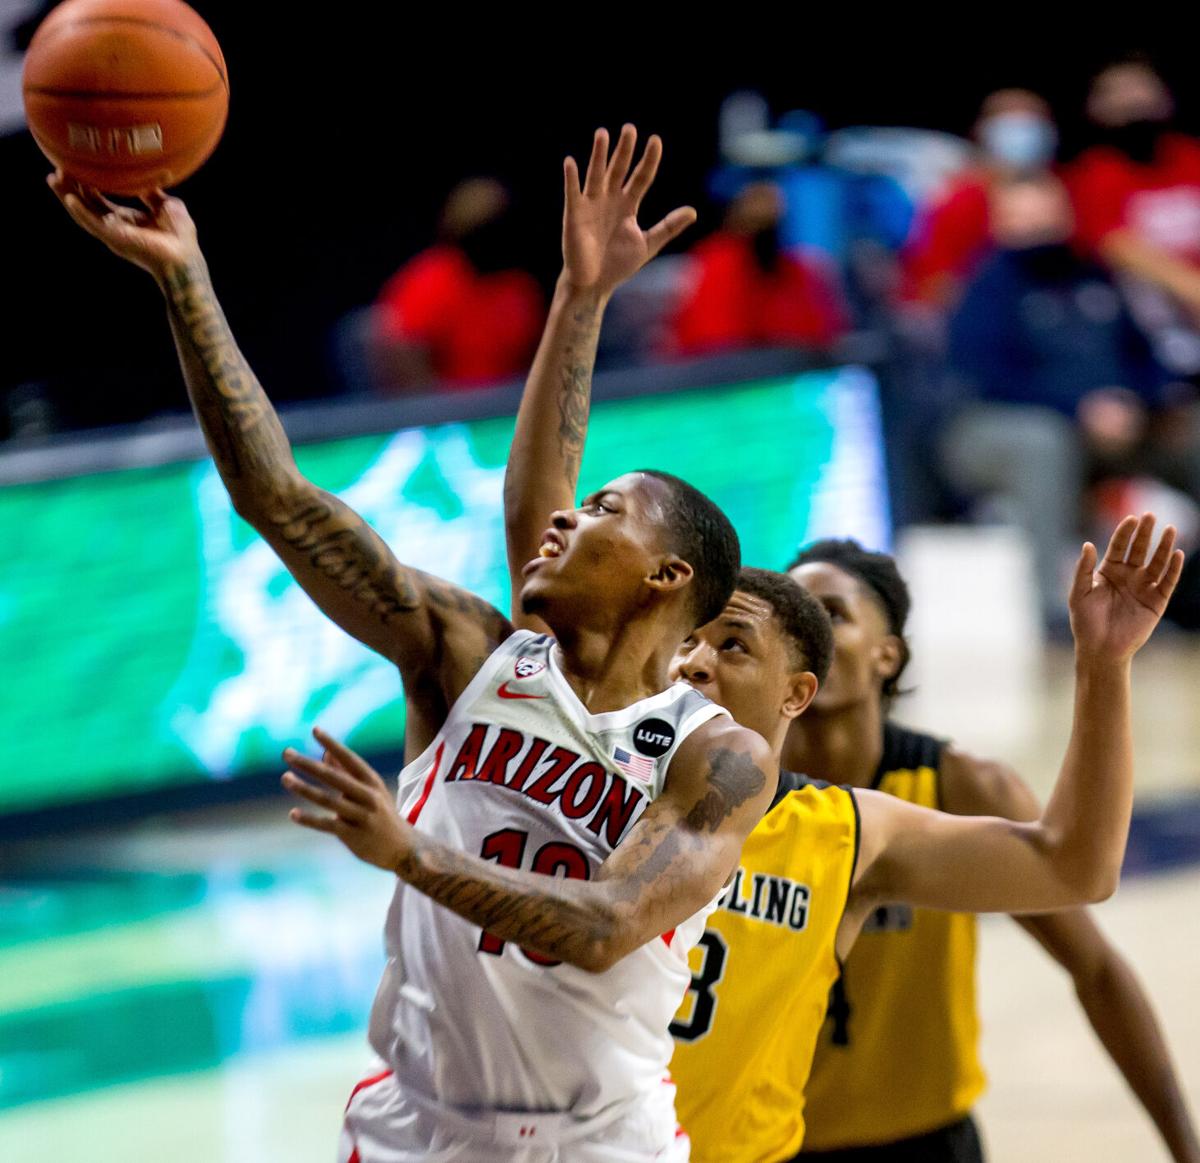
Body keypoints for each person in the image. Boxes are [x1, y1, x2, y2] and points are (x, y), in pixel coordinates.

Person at [48, 128, 778, 1163]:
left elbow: (612, 920)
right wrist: (185, 280)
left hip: (598, 1143)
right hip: (415, 1131)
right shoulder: (470, 652)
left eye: (605, 510)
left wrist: (409, 854)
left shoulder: (718, 754)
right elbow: (278, 498)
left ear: (668, 578)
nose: (568, 519)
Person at [497, 126, 1189, 1163]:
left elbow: (1080, 877)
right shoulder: (630, 746)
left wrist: (1102, 666)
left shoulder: (874, 818)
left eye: (734, 642)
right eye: (696, 641)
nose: (692, 661)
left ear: (823, 675)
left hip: (907, 1137)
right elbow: (541, 538)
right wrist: (579, 302)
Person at [788, 540, 1200, 1163]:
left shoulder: (961, 786)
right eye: (792, 615)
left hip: (928, 1144)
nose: (807, 632)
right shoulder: (733, 787)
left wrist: (1184, 1145)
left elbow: (1097, 970)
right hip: (763, 1143)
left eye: (832, 614)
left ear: (887, 654)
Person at [941, 171, 1194, 627]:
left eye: (1045, 216)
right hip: (997, 430)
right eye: (1021, 217)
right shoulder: (985, 288)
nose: (1035, 229)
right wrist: (1079, 407)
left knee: (1193, 432)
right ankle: (1052, 609)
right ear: (999, 223)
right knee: (1045, 442)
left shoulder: (1097, 276)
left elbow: (1148, 356)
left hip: (1117, 424)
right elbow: (986, 379)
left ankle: (1191, 595)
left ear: (1065, 216)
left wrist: (1138, 402)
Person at [1068, 58, 1200, 362]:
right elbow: (1118, 246)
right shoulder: (1092, 173)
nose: (1132, 99)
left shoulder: (1191, 155)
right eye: (1117, 91)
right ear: (1095, 108)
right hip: (1147, 322)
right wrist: (1193, 290)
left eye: (1140, 86)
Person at [371, 177, 544, 389]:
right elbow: (402, 353)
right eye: (484, 231)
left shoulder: (519, 287)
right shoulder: (431, 280)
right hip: (449, 411)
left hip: (508, 406)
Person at [901, 88, 1058, 308]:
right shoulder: (960, 200)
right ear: (983, 132)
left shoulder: (1066, 191)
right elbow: (933, 281)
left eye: (1030, 123)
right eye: (1009, 125)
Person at [667, 181, 848, 357]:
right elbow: (709, 341)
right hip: (728, 376)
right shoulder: (715, 262)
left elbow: (822, 334)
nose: (765, 213)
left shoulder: (798, 269)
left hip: (789, 372)